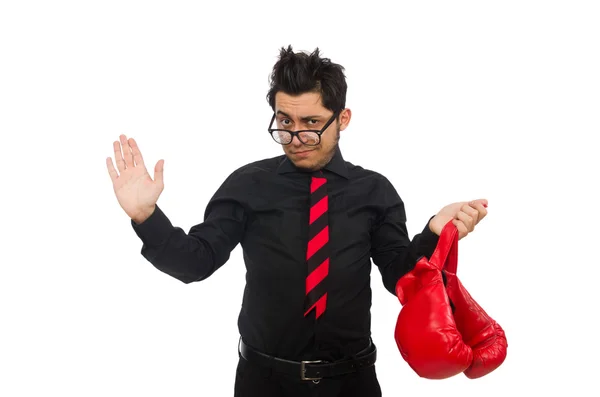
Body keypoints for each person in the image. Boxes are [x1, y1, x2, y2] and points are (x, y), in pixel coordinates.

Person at [106, 45, 488, 397]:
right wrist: (146, 216)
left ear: (343, 118)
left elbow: (400, 279)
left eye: (311, 122)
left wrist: (434, 233)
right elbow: (195, 262)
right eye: (284, 121)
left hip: (351, 383)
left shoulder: (375, 192)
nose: (295, 137)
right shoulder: (247, 185)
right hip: (263, 381)